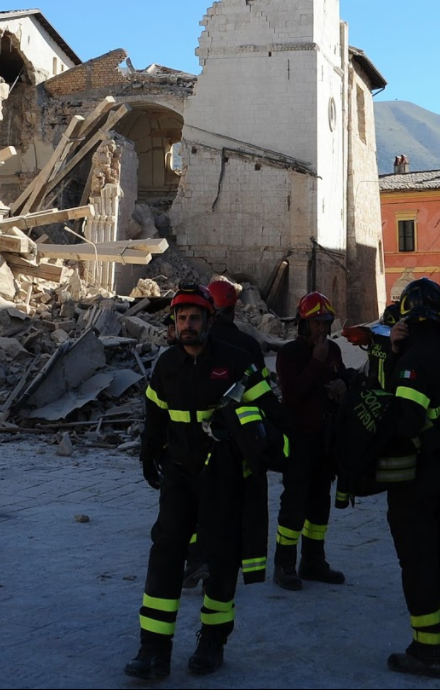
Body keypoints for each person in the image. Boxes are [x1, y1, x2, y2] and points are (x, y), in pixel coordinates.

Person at [125, 286, 273, 679]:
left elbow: (269, 415)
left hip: (222, 477)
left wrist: (238, 422)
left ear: (208, 321)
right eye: (180, 319)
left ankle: (213, 641)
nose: (187, 325)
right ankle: (153, 650)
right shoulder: (167, 365)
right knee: (165, 555)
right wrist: (147, 452)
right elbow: (155, 414)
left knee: (221, 561)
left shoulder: (237, 362)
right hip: (179, 476)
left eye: (194, 318)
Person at [377, 278, 440, 676]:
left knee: (417, 558)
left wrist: (396, 360)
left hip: (420, 476)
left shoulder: (414, 361)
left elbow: (408, 419)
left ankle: (427, 650)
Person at [201, 279, 280, 586]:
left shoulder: (197, 344)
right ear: (234, 310)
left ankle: (200, 559)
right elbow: (263, 395)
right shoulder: (247, 346)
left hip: (203, 443)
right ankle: (240, 567)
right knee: (243, 506)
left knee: (205, 503)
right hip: (242, 441)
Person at [272, 290, 351, 590]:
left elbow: (339, 377)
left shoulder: (333, 351)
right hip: (298, 441)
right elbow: (292, 393)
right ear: (303, 324)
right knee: (294, 505)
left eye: (325, 323)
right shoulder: (289, 354)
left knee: (319, 505)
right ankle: (284, 564)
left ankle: (313, 561)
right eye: (316, 323)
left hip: (324, 441)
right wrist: (316, 363)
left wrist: (342, 385)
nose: (321, 329)